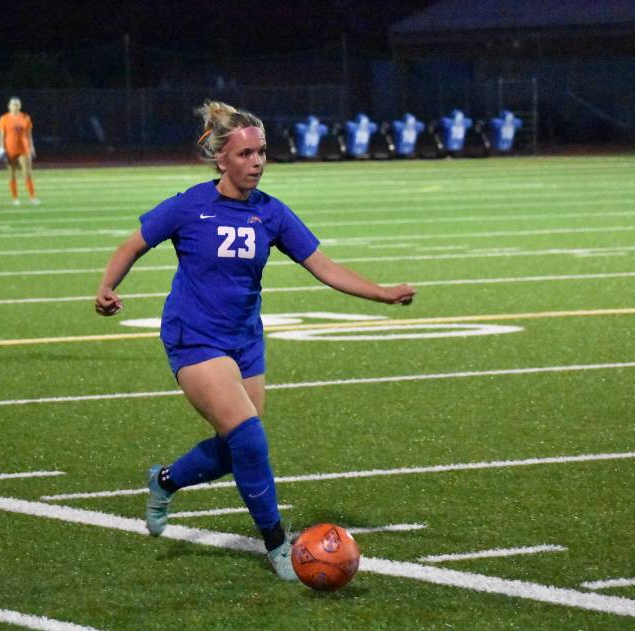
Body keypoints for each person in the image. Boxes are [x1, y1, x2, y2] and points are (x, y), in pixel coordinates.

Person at [94, 101, 416, 581]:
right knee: (249, 438)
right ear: (221, 158)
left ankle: (165, 480)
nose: (257, 162)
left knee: (237, 447)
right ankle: (278, 544)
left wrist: (382, 293)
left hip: (245, 340)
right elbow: (132, 244)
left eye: (262, 152)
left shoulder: (272, 213)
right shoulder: (189, 205)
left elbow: (323, 266)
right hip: (195, 337)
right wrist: (107, 287)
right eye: (246, 154)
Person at [0, 97, 39, 205]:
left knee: (27, 173)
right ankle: (15, 198)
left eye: (17, 104)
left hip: (23, 148)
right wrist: (1, 148)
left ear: (20, 106)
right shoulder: (4, 118)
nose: (15, 106)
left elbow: (29, 134)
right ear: (9, 106)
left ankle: (32, 197)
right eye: (13, 104)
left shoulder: (25, 117)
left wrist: (32, 147)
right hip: (10, 148)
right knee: (12, 174)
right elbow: (2, 135)